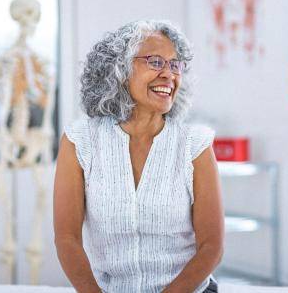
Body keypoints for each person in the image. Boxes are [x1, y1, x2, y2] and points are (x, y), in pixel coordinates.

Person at [54, 20, 224, 293]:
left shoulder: (195, 144)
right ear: (119, 70)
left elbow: (211, 247)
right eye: (156, 62)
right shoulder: (80, 141)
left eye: (175, 65)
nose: (169, 74)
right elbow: (66, 238)